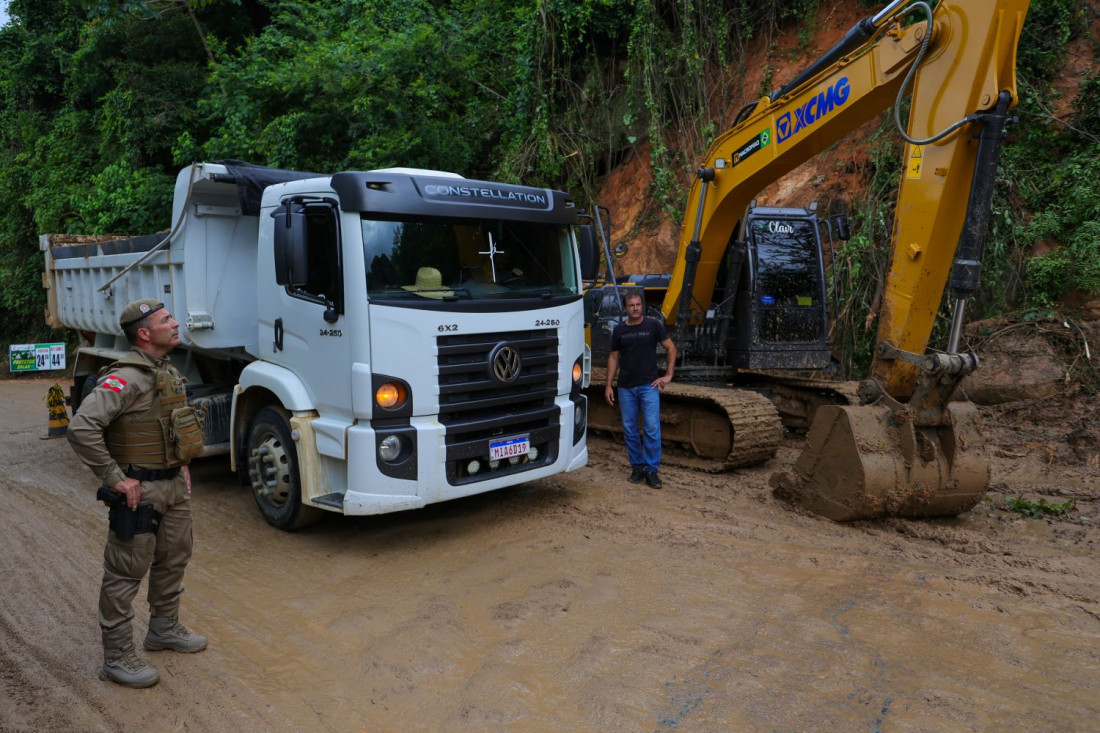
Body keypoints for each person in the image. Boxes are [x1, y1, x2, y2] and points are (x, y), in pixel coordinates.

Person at [68, 299, 208, 688]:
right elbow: (81, 428)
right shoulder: (125, 378)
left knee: (174, 557)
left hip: (172, 485)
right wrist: (115, 478)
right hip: (139, 492)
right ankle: (117, 658)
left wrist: (181, 464)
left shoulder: (165, 370)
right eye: (166, 320)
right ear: (144, 333)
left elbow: (169, 425)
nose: (176, 324)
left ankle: (163, 629)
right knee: (124, 571)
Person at [604, 292, 677, 489]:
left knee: (652, 428)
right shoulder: (619, 330)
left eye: (638, 304)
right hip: (626, 387)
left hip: (648, 386)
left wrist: (668, 375)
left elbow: (671, 348)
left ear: (642, 306)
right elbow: (613, 357)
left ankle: (651, 470)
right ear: (625, 308)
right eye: (631, 305)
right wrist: (609, 385)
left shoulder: (653, 325)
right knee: (630, 429)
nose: (635, 308)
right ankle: (637, 467)